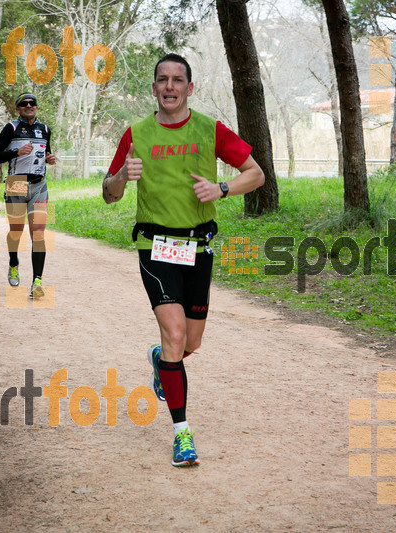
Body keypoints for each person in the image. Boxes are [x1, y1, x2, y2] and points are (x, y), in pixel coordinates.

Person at [102, 54, 264, 467]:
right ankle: (182, 434)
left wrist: (222, 188)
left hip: (197, 247)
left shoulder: (209, 129)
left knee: (189, 344)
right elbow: (109, 192)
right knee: (175, 335)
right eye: (162, 80)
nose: (169, 87)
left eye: (177, 80)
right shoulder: (136, 134)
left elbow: (256, 174)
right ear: (154, 88)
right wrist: (123, 176)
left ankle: (162, 363)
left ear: (189, 88)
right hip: (155, 247)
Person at [0, 92, 56, 298]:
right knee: (16, 232)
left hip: (38, 185)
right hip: (16, 184)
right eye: (23, 104)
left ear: (36, 107)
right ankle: (14, 262)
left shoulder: (44, 129)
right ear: (17, 109)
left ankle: (37, 282)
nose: (28, 106)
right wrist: (15, 153)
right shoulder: (12, 128)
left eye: (32, 103)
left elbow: (45, 153)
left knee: (39, 232)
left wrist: (50, 159)